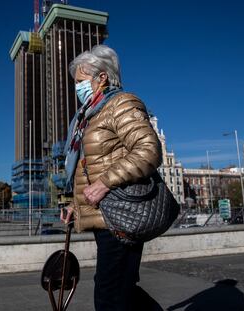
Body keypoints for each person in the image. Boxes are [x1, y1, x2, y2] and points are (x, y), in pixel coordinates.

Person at [60, 45, 163, 311]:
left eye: (81, 82)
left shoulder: (121, 103)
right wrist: (76, 204)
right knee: (121, 290)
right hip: (104, 214)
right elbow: (91, 167)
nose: (78, 88)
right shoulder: (87, 117)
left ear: (102, 77)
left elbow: (149, 151)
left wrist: (105, 183)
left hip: (121, 213)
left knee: (109, 296)